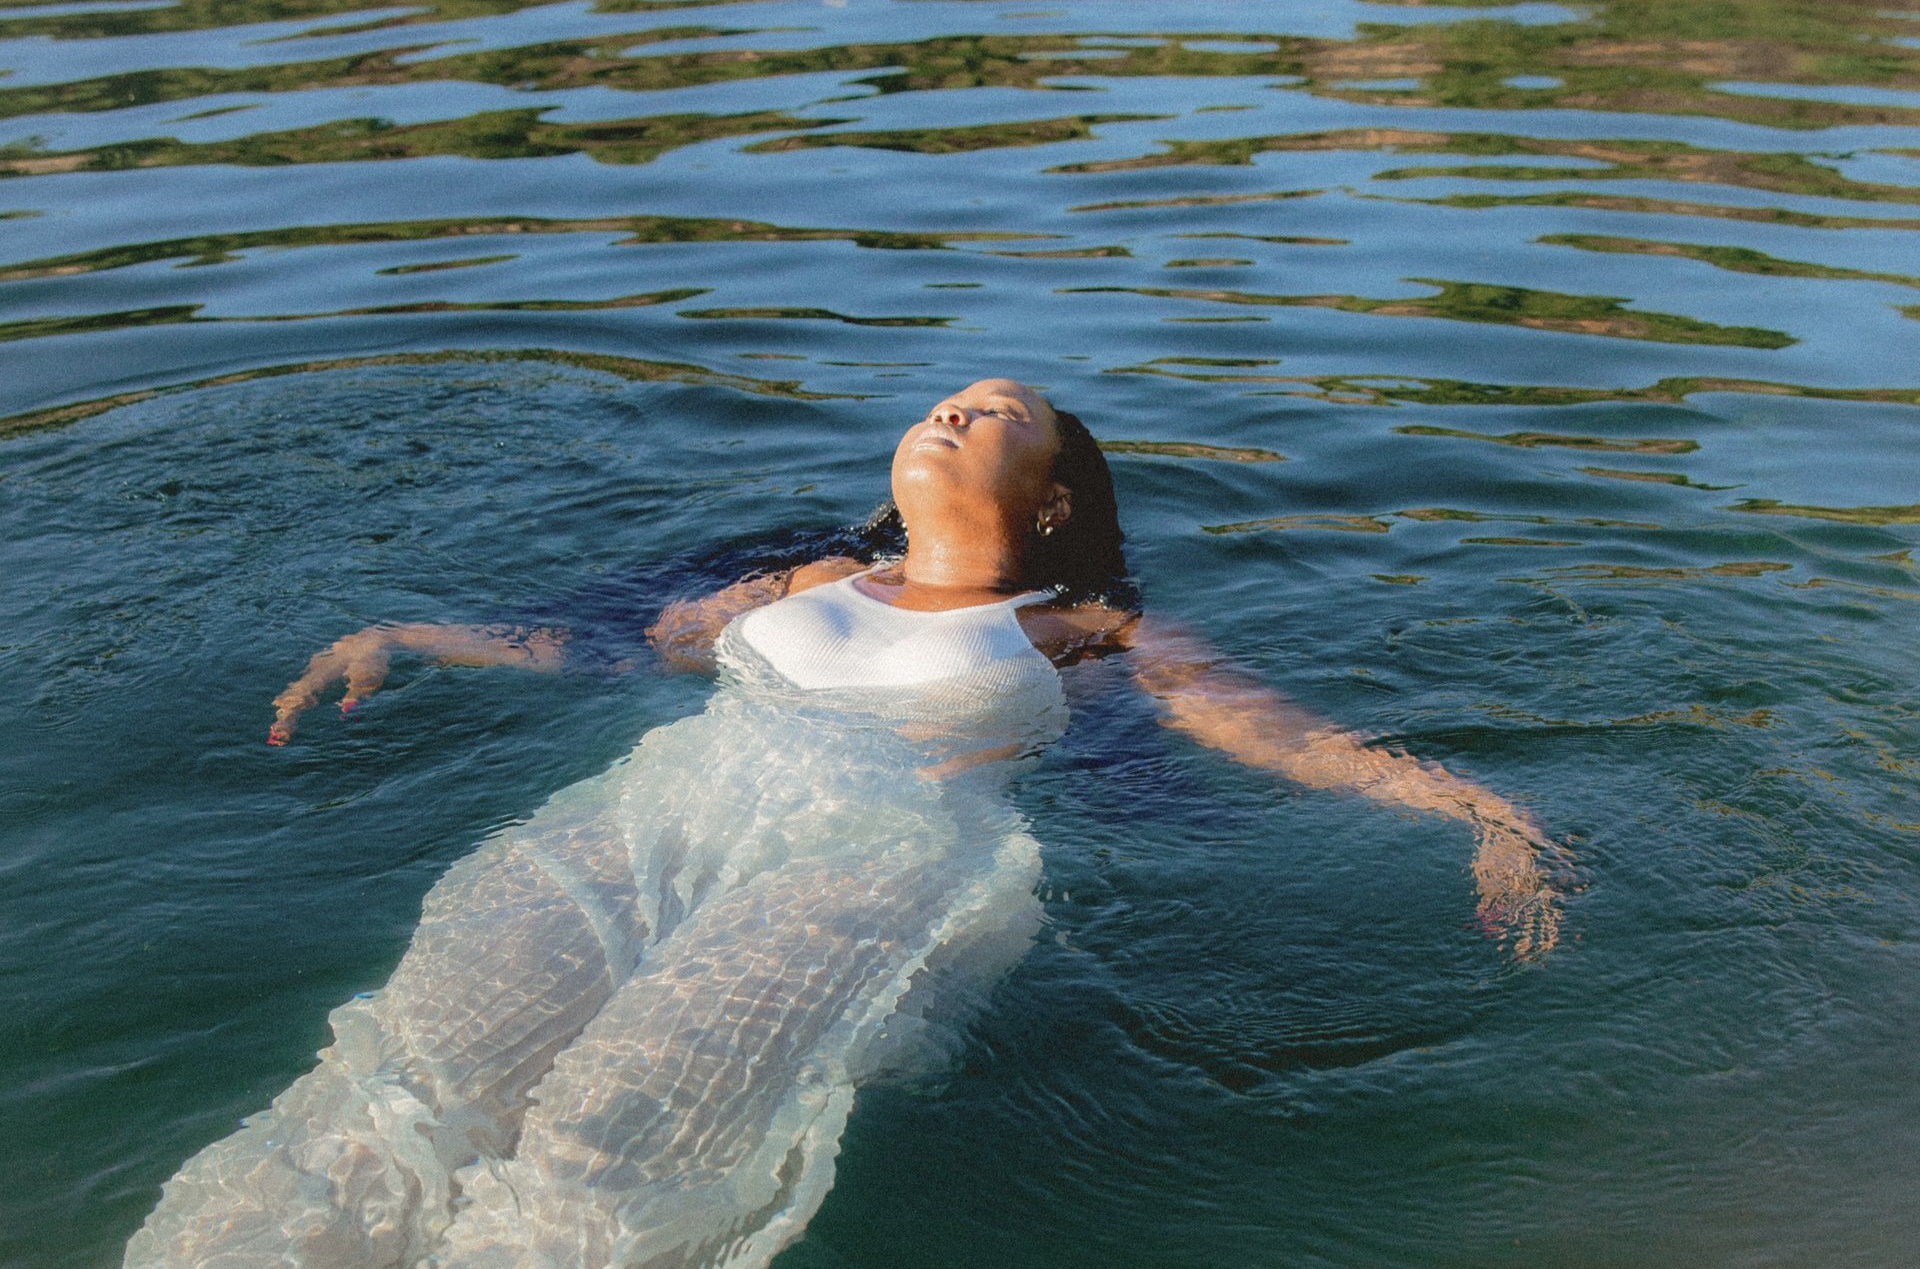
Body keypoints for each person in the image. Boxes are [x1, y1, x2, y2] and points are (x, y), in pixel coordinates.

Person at [128, 379, 1564, 1269]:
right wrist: (410, 632)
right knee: (388, 1085)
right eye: (946, 398)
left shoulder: (1085, 627)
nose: (955, 410)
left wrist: (1486, 815)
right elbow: (611, 645)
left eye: (999, 411)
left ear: (1051, 494)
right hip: (636, 825)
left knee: (605, 1158)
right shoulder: (803, 575)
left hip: (869, 866)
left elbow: (1291, 741)